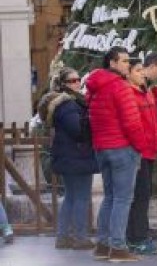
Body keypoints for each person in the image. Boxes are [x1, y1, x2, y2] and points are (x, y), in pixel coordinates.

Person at [86, 46, 146, 262]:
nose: (127, 64)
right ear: (111, 63)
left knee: (110, 196)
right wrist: (140, 146)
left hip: (102, 148)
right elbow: (131, 121)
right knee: (122, 198)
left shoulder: (95, 86)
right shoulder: (120, 87)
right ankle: (118, 247)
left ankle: (103, 245)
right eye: (123, 61)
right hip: (121, 148)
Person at [37, 67, 98, 250]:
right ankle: (80, 237)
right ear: (63, 85)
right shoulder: (69, 104)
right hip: (77, 155)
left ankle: (63, 236)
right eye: (72, 81)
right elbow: (78, 130)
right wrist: (91, 122)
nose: (77, 83)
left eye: (78, 79)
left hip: (70, 156)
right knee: (81, 197)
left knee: (71, 197)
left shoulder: (65, 103)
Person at [126, 59, 157, 256]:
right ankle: (137, 237)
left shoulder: (145, 91)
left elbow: (154, 120)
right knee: (139, 196)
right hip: (137, 151)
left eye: (142, 70)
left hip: (149, 150)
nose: (142, 73)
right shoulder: (129, 94)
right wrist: (141, 146)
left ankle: (140, 234)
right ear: (128, 73)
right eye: (138, 70)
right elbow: (133, 125)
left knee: (143, 195)